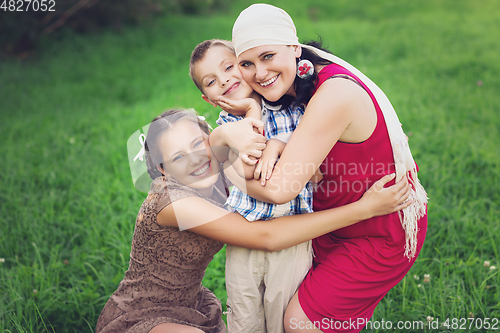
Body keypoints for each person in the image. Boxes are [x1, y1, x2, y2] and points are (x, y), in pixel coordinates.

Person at [210, 4, 428, 332]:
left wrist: (222, 160)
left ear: (295, 48)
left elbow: (278, 190)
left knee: (299, 322)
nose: (259, 72)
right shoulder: (296, 86)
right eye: (247, 63)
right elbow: (295, 140)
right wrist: (276, 145)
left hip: (377, 229)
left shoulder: (334, 92)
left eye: (268, 56)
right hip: (329, 222)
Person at [95, 108, 412, 333]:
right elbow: (265, 237)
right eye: (177, 157)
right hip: (142, 314)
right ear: (163, 171)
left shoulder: (220, 175)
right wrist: (362, 210)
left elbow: (290, 176)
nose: (194, 160)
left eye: (197, 145)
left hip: (192, 305)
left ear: (212, 140)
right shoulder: (174, 202)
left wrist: (278, 146)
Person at [189, 39, 319, 333]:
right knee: (244, 318)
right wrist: (251, 110)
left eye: (229, 67)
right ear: (208, 99)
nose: (224, 80)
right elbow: (249, 165)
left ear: (247, 66)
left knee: (282, 315)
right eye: (212, 81)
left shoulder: (293, 110)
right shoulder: (225, 128)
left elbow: (311, 162)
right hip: (244, 237)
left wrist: (275, 145)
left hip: (292, 234)